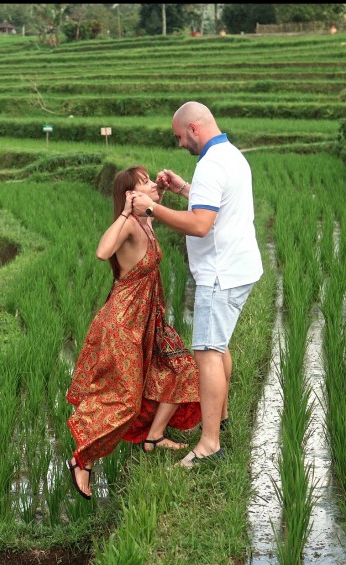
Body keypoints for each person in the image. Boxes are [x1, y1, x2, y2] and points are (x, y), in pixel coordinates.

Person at [130, 101, 262, 469]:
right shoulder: (231, 155)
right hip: (239, 268)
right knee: (218, 349)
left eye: (178, 137)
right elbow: (214, 206)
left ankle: (209, 445)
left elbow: (201, 224)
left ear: (192, 129)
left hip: (220, 275)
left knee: (205, 352)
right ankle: (219, 419)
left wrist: (151, 208)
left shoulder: (210, 164)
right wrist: (184, 187)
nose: (179, 145)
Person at [65, 166, 202, 500]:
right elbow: (101, 252)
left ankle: (154, 438)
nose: (151, 184)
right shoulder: (128, 223)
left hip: (149, 321)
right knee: (125, 401)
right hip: (123, 325)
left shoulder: (147, 222)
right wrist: (127, 211)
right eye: (143, 182)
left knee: (181, 370)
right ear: (129, 194)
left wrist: (161, 193)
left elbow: (157, 206)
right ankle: (82, 459)